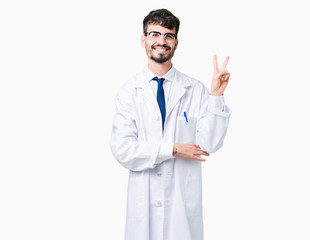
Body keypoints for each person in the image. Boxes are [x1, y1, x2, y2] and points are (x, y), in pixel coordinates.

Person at [110, 8, 231, 240]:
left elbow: (210, 143)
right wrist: (173, 149)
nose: (161, 41)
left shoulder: (195, 90)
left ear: (176, 43)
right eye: (154, 34)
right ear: (143, 39)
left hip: (182, 212)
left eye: (168, 35)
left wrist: (215, 96)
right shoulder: (129, 92)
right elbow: (123, 150)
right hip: (143, 210)